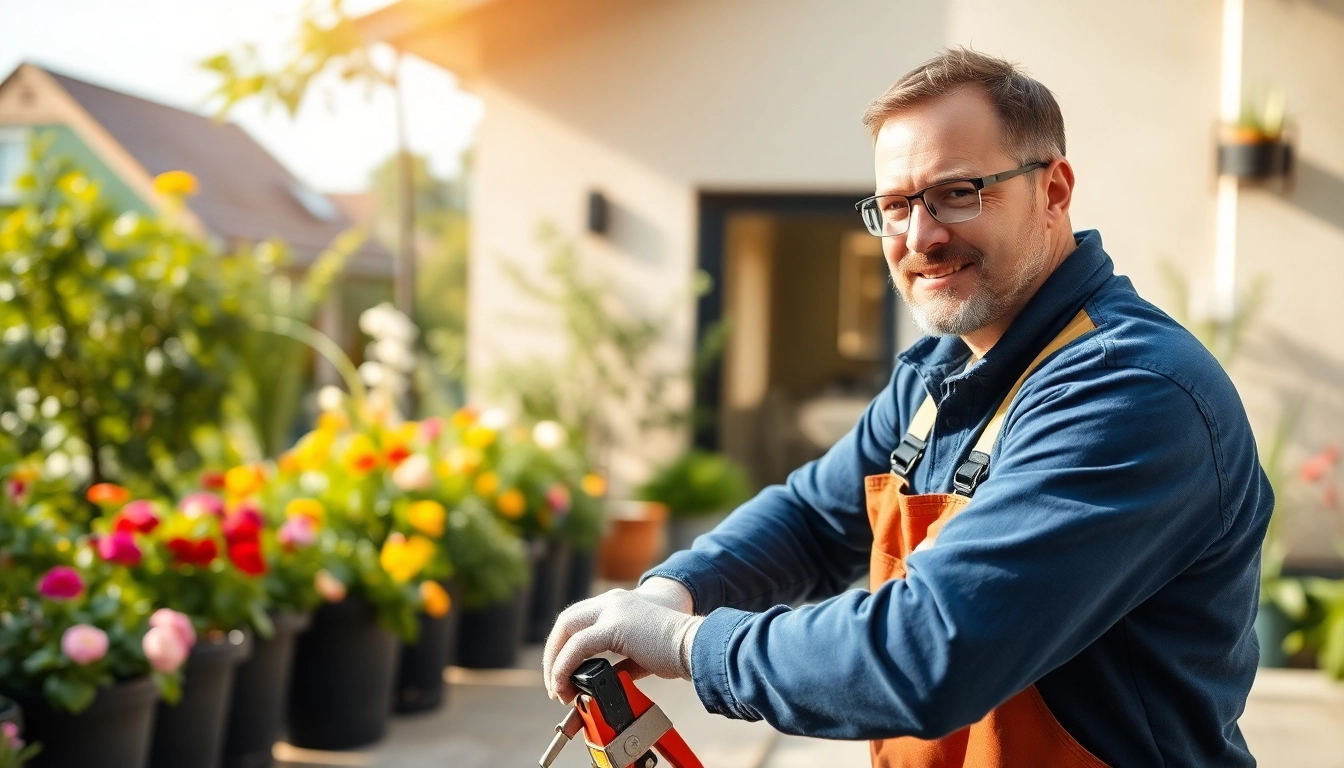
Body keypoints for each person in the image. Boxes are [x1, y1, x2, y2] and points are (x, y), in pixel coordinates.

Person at [543, 48, 1272, 768]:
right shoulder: (942, 373)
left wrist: (685, 644)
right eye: (896, 206)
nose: (920, 237)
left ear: (1053, 191)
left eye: (958, 192)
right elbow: (812, 519)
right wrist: (678, 587)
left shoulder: (1127, 392)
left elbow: (928, 653)